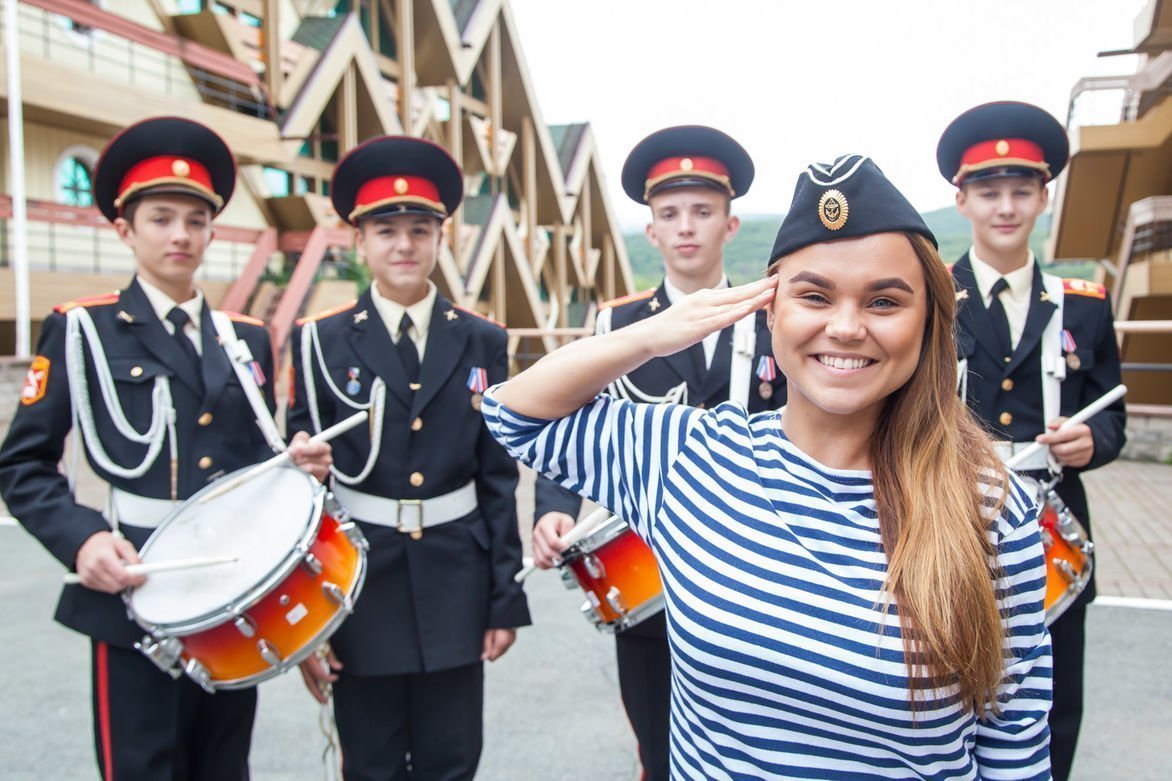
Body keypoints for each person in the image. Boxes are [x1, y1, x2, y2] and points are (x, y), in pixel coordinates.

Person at [484, 154, 1052, 779]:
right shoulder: (695, 458)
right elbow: (513, 415)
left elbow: (1013, 740)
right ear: (771, 309)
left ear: (928, 323)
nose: (845, 327)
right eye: (814, 295)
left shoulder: (993, 509)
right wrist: (648, 335)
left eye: (884, 302)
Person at [0, 116, 332, 780]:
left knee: (223, 765)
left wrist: (290, 467)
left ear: (212, 230)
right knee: (144, 767)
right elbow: (22, 464)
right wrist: (84, 539)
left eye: (195, 219)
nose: (180, 234)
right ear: (124, 228)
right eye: (160, 217)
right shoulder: (81, 329)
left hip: (232, 594)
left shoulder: (245, 338)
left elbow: (246, 471)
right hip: (134, 586)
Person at [530, 125, 786, 781]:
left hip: (757, 573)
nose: (686, 227)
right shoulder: (617, 327)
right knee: (660, 752)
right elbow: (567, 423)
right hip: (646, 576)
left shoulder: (774, 317)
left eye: (702, 211)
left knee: (762, 749)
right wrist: (553, 508)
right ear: (651, 232)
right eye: (669, 214)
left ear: (731, 224)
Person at [288, 135, 531, 780]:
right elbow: (300, 498)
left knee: (452, 761)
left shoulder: (482, 339)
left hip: (457, 582)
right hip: (357, 586)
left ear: (440, 238)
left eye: (419, 229)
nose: (403, 245)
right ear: (358, 242)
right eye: (386, 230)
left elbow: (497, 478)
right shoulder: (318, 342)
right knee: (368, 763)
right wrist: (306, 621)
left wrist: (504, 598)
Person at [937, 100, 1127, 781]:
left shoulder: (1086, 302)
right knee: (949, 684)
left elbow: (1113, 413)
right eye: (989, 192)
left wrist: (1090, 441)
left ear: (1045, 197)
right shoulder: (932, 296)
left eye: (1022, 190)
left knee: (1054, 694)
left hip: (1054, 518)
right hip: (955, 516)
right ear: (961, 199)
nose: (1006, 206)